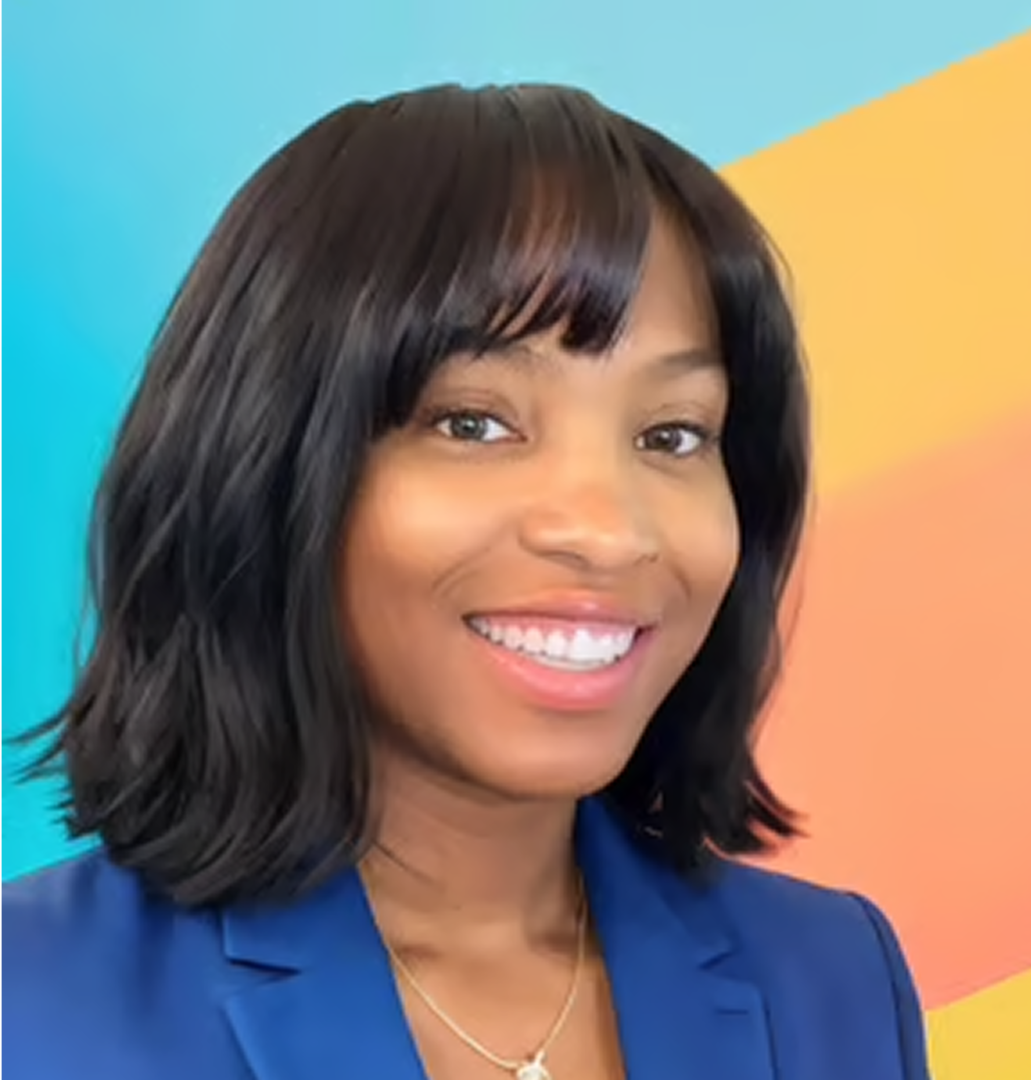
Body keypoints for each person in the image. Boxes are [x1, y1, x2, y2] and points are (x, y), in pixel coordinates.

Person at [0, 84, 930, 1080]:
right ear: (265, 465)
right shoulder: (31, 1001)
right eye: (475, 422)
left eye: (672, 434)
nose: (609, 533)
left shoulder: (834, 980)